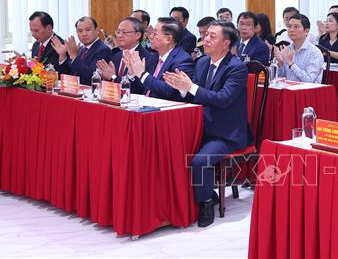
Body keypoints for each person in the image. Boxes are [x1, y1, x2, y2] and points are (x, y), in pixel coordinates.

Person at [163, 20, 250, 228]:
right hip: (201, 127)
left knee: (200, 162)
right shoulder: (202, 62)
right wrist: (183, 89)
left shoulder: (236, 68)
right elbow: (195, 97)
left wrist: (191, 87)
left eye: (212, 36)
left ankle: (205, 203)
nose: (206, 39)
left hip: (226, 133)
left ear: (226, 43)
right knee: (169, 150)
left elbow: (223, 99)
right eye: (206, 35)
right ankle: (192, 195)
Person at [126, 17, 195, 101]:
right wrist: (132, 74)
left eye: (155, 33)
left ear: (168, 39)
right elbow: (141, 88)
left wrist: (142, 74)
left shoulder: (182, 60)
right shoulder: (153, 58)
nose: (150, 37)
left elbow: (169, 91)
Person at [52, 16, 112, 85]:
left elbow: (92, 77)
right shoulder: (80, 49)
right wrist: (62, 55)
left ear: (97, 30)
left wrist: (74, 56)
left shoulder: (103, 50)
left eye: (88, 30)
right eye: (80, 31)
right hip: (72, 90)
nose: (84, 34)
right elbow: (67, 73)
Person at [96, 17, 151, 82]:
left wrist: (113, 77)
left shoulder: (146, 58)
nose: (119, 35)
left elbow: (140, 88)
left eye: (124, 32)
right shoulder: (116, 56)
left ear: (138, 35)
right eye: (118, 32)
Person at [274, 14, 324, 83]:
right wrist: (281, 63)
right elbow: (281, 78)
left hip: (306, 92)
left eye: (296, 27)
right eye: (289, 26)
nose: (291, 30)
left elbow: (309, 80)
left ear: (306, 31)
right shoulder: (287, 49)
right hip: (288, 90)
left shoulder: (314, 53)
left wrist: (291, 64)